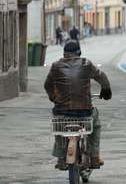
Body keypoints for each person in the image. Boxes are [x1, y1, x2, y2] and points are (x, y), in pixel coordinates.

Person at [44, 39, 112, 169]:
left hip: (61, 111)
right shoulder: (86, 64)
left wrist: (54, 97)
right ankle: (94, 156)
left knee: (59, 126)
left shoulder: (55, 66)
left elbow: (47, 85)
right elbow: (102, 77)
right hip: (84, 112)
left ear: (64, 53)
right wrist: (106, 91)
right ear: (79, 52)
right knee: (95, 124)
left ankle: (60, 157)